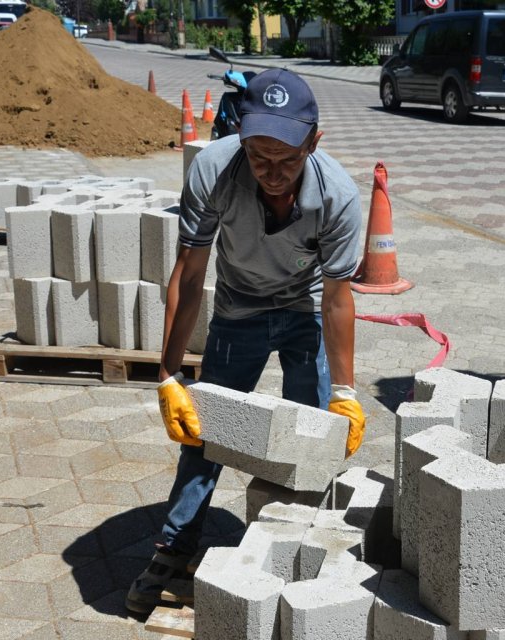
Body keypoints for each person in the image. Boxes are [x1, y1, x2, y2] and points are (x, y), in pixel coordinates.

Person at [125, 68, 368, 613]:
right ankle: (175, 543)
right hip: (238, 308)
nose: (272, 173)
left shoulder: (340, 197)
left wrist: (347, 391)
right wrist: (167, 375)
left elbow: (337, 300)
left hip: (306, 308)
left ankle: (306, 539)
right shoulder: (214, 169)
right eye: (259, 157)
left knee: (314, 428)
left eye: (287, 159)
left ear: (314, 141)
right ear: (240, 136)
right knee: (204, 428)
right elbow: (189, 277)